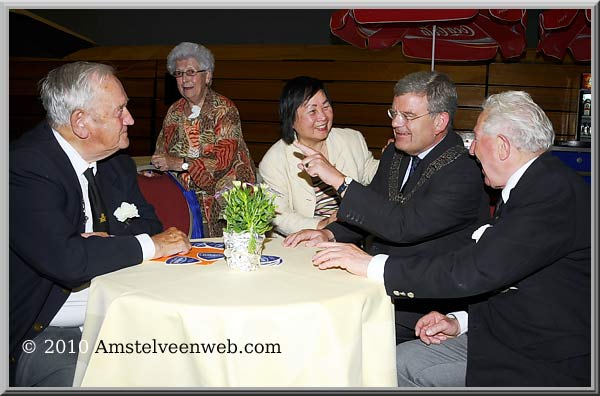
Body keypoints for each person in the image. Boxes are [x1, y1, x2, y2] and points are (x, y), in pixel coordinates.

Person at [311, 91, 591, 387]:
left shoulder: (548, 192)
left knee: (385, 366)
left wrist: (372, 266)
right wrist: (459, 321)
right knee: (395, 358)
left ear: (502, 147)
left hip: (541, 356)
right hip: (505, 327)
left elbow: (473, 269)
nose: (471, 150)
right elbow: (510, 274)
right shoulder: (536, 183)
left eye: (476, 139)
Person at [9, 61, 192, 387]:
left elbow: (150, 224)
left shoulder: (115, 163)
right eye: (120, 110)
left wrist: (96, 246)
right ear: (81, 123)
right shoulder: (24, 169)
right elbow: (69, 262)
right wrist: (140, 246)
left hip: (118, 315)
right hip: (47, 331)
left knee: (190, 364)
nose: (130, 120)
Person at [283, 71, 490, 342]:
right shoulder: (396, 153)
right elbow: (375, 208)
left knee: (325, 335)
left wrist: (339, 180)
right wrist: (330, 233)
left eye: (409, 116)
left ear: (440, 121)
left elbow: (403, 226)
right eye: (394, 114)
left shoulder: (464, 170)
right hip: (376, 285)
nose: (397, 124)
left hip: (424, 307)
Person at [151, 42, 256, 237]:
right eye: (179, 74)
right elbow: (162, 152)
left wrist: (181, 164)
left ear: (207, 76)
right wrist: (156, 170)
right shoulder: (173, 112)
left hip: (226, 206)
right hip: (185, 206)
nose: (184, 79)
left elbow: (221, 162)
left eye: (191, 72)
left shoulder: (224, 110)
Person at [258, 76, 379, 235]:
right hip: (304, 241)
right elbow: (279, 215)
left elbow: (375, 177)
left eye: (326, 107)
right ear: (291, 120)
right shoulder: (274, 160)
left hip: (351, 236)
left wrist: (397, 159)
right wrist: (323, 224)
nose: (323, 117)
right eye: (312, 111)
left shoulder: (352, 140)